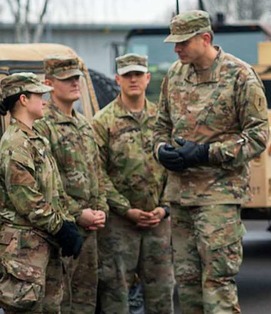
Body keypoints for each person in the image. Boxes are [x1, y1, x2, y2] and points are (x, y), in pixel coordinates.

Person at [153, 10, 269, 314]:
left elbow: (257, 138)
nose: (176, 49)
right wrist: (161, 150)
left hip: (218, 196)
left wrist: (206, 153)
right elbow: (160, 126)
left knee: (217, 282)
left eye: (183, 42)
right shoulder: (175, 76)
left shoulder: (240, 76)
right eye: (174, 43)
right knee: (187, 283)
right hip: (179, 196)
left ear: (205, 38)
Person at [92, 54, 174, 313]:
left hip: (157, 223)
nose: (133, 79)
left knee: (161, 294)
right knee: (116, 295)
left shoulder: (163, 119)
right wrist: (125, 209)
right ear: (118, 79)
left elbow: (175, 166)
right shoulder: (102, 122)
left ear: (148, 78)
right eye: (127, 75)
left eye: (138, 74)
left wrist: (164, 207)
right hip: (119, 225)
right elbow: (97, 173)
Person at [0, 73, 83, 313]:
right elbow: (28, 200)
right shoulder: (16, 144)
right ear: (23, 99)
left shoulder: (35, 139)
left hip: (44, 242)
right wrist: (62, 227)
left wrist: (67, 222)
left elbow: (53, 191)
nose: (45, 100)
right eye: (39, 95)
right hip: (25, 249)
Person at [34, 55, 109, 313]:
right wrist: (79, 214)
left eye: (76, 78)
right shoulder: (43, 126)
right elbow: (45, 184)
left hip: (91, 229)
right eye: (67, 79)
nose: (75, 83)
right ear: (49, 83)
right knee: (61, 302)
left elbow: (96, 172)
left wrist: (100, 210)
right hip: (64, 229)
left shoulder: (84, 125)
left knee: (86, 300)